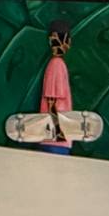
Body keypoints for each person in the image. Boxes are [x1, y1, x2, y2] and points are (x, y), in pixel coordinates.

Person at [37, 19, 74, 154]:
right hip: (56, 139)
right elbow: (51, 100)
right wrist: (57, 131)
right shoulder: (56, 64)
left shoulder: (57, 64)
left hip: (56, 137)